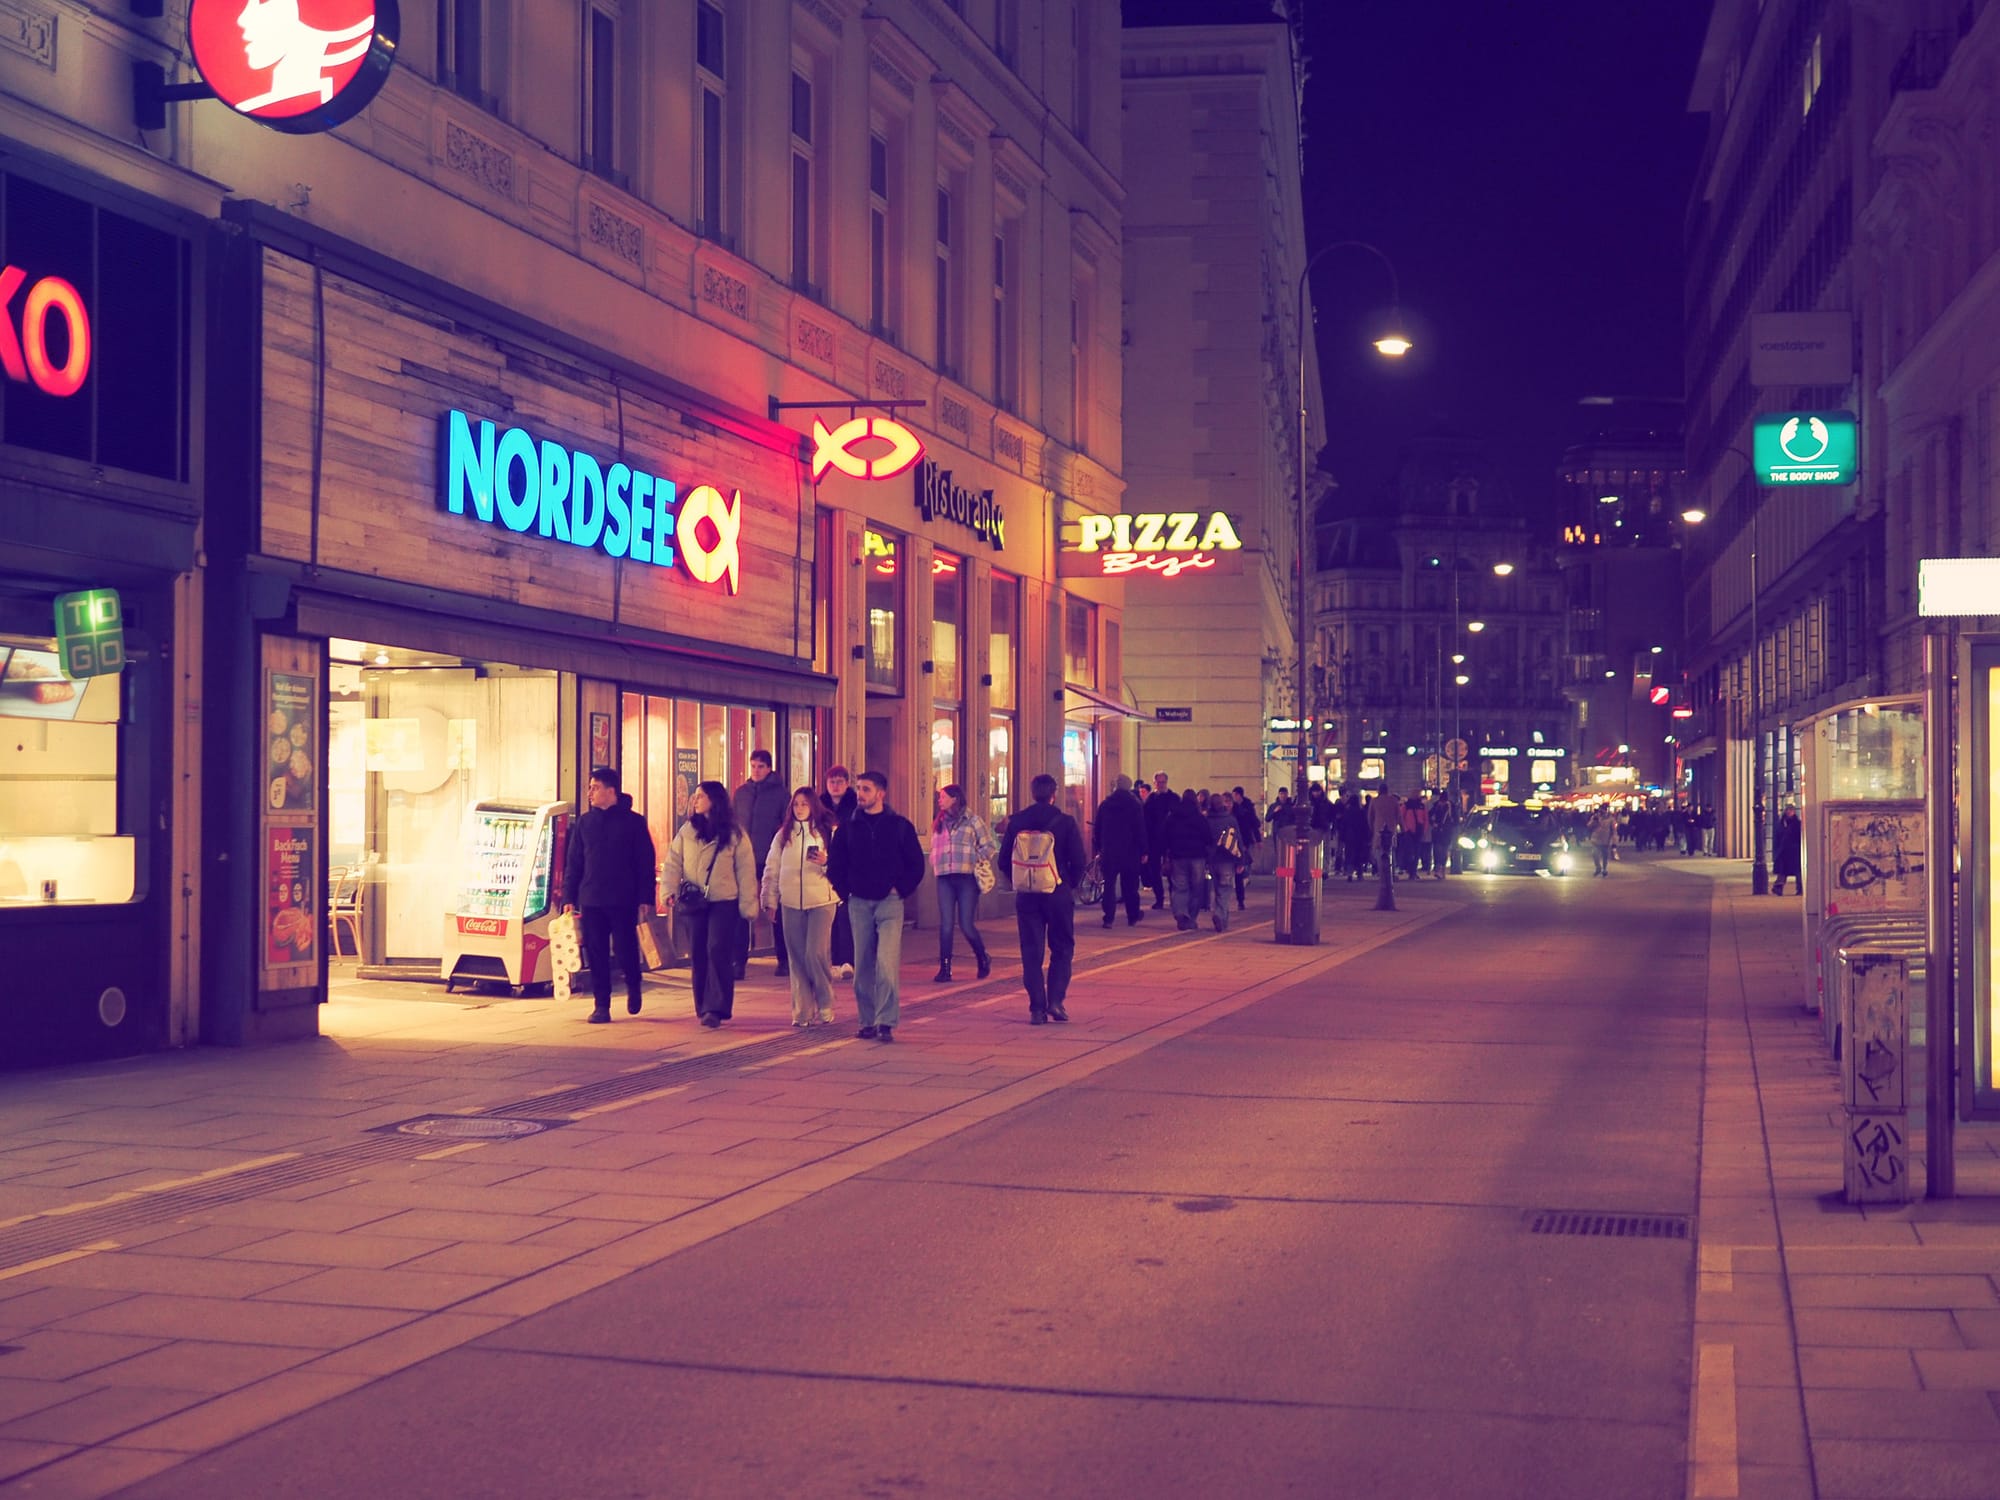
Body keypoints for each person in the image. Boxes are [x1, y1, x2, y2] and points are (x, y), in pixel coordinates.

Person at [826, 771, 925, 1042]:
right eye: (858, 788)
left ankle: (885, 1022)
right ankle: (866, 1021)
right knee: (863, 965)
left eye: (866, 789)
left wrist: (900, 888)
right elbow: (835, 865)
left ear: (881, 793)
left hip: (890, 902)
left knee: (886, 962)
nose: (860, 793)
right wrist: (847, 892)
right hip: (859, 903)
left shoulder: (899, 826)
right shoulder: (848, 827)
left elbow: (916, 864)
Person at [562, 766, 657, 1024]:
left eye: (595, 787)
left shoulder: (633, 822)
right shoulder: (585, 822)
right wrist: (568, 897)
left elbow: (644, 861)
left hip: (623, 899)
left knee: (626, 949)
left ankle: (634, 985)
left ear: (610, 790)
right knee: (597, 953)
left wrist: (646, 898)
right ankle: (601, 1004)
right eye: (590, 787)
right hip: (591, 898)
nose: (590, 792)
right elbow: (574, 862)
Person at [662, 780, 757, 1028]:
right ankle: (702, 1005)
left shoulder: (734, 834)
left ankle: (716, 1007)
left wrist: (748, 905)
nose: (696, 800)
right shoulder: (687, 831)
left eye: (701, 796)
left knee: (717, 950)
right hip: (696, 902)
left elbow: (746, 871)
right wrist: (669, 890)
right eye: (695, 796)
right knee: (698, 952)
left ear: (714, 800)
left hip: (724, 901)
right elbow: (673, 862)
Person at [1001, 772, 1089, 1024]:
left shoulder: (1017, 822)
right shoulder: (1065, 822)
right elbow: (1079, 860)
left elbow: (1003, 859)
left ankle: (1036, 1008)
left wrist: (1018, 879)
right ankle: (1056, 1001)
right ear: (1054, 794)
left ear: (1032, 793)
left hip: (1027, 895)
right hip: (1058, 892)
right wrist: (1068, 883)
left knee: (1031, 951)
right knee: (1062, 946)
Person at [760, 787, 840, 1027]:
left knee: (815, 953)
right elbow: (772, 868)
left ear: (813, 805)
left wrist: (827, 862)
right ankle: (803, 1010)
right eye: (796, 804)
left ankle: (825, 1001)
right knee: (796, 958)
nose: (800, 808)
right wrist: (769, 899)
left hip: (822, 901)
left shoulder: (828, 831)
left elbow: (843, 866)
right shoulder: (783, 835)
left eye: (804, 804)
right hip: (791, 902)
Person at [732, 749, 790, 980]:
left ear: (769, 768)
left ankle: (783, 959)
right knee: (743, 910)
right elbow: (734, 822)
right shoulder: (741, 793)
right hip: (745, 859)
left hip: (771, 857)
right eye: (753, 765)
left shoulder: (780, 794)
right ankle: (739, 961)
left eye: (760, 766)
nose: (756, 770)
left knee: (774, 909)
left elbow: (785, 824)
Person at [930, 783, 997, 981]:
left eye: (943, 797)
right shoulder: (939, 822)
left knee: (966, 924)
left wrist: (973, 857)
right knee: (946, 924)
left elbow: (989, 847)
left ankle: (982, 957)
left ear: (955, 799)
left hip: (967, 878)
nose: (939, 800)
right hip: (944, 878)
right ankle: (945, 968)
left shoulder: (973, 821)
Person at [1093, 774, 1147, 928]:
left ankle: (1108, 917)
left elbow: (1098, 828)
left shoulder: (1105, 804)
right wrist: (1144, 850)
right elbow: (1140, 829)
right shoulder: (1135, 804)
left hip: (1109, 850)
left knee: (1109, 885)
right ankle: (1132, 916)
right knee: (1130, 885)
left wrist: (1099, 847)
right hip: (1130, 851)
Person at [821, 766, 859, 979]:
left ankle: (848, 960)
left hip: (847, 863)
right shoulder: (820, 804)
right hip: (824, 862)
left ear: (846, 784)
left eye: (839, 782)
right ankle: (834, 960)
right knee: (830, 916)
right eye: (831, 782)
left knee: (845, 913)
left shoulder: (854, 805)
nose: (835, 786)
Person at [1165, 787, 1212, 930]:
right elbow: (1207, 837)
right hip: (1197, 856)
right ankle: (1191, 917)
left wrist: (1167, 852)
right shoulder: (1199, 817)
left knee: (1179, 886)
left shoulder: (1172, 816)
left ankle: (1180, 912)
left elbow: (1165, 835)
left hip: (1178, 856)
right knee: (1196, 888)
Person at [1204, 793, 1246, 933]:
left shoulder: (1206, 820)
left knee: (1217, 888)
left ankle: (1222, 918)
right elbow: (1238, 839)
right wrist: (1241, 860)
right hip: (1227, 859)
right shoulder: (1230, 819)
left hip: (1212, 859)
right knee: (1225, 889)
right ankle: (1220, 915)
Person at [1142, 770, 1175, 910]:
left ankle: (1174, 897)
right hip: (1154, 840)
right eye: (1158, 782)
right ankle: (1159, 898)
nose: (1160, 785)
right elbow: (1145, 820)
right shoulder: (1151, 799)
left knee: (1172, 870)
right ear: (1154, 783)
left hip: (1170, 840)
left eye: (1163, 782)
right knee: (1154, 870)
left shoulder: (1173, 798)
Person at [1230, 788, 1261, 911]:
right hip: (1234, 844)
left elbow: (1253, 824)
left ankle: (1241, 898)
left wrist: (1257, 839)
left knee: (1242, 867)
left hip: (1243, 843)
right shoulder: (1233, 813)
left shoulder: (1244, 811)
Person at [1367, 786, 1402, 879]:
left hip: (1378, 828)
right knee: (1391, 851)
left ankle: (1382, 872)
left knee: (1379, 851)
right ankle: (1392, 873)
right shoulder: (1393, 800)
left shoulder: (1374, 801)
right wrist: (1402, 827)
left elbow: (1370, 816)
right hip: (1391, 828)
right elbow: (1399, 815)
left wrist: (1372, 827)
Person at [1772, 805, 1803, 895]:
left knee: (1798, 871)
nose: (1789, 812)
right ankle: (1778, 887)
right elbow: (1778, 837)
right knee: (1783, 870)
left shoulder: (1797, 824)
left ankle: (1800, 888)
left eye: (1791, 810)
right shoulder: (1782, 823)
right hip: (1784, 851)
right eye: (1788, 810)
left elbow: (1799, 837)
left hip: (1795, 851)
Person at [1428, 791, 1456, 879]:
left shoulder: (1441, 806)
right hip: (1444, 831)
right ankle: (1440, 869)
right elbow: (1456, 820)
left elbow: (1429, 815)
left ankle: (1439, 869)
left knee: (1440, 850)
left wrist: (1433, 823)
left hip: (1441, 831)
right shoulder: (1448, 806)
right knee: (1441, 850)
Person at [1588, 806, 1618, 877]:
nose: (1601, 812)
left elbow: (1614, 831)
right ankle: (1598, 867)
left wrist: (1614, 842)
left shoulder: (1611, 819)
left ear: (1606, 811)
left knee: (1605, 856)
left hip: (1605, 840)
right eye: (1600, 811)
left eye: (1603, 811)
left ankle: (1604, 869)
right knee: (1595, 854)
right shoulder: (1595, 817)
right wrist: (1593, 820)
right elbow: (1589, 826)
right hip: (1595, 839)